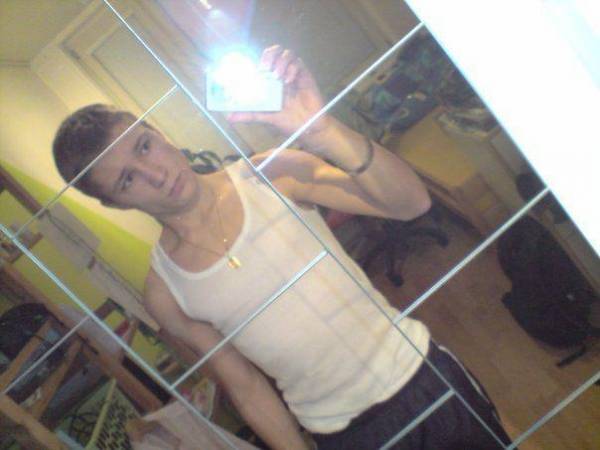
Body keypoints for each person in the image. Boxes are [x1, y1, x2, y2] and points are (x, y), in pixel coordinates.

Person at [52, 45, 513, 450]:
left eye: (144, 147)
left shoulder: (271, 173)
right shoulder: (165, 292)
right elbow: (246, 387)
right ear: (115, 203)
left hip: (420, 376)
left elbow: (410, 203)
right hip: (343, 435)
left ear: (160, 133)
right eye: (127, 179)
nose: (155, 174)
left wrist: (322, 129)